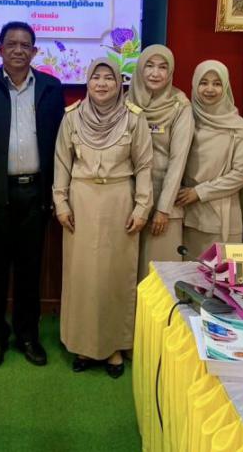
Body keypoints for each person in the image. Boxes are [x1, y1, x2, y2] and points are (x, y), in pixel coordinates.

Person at [0, 21, 65, 369]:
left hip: (36, 193)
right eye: (12, 44)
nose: (18, 50)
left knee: (30, 270)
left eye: (25, 45)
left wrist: (59, 192)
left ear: (35, 51)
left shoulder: (50, 87)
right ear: (0, 49)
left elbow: (62, 144)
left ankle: (28, 336)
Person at [54, 58, 153, 377]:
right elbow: (62, 162)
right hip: (80, 202)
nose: (101, 83)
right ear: (87, 81)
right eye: (95, 77)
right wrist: (61, 203)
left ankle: (114, 347)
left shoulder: (134, 118)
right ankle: (82, 344)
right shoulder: (72, 117)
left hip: (119, 201)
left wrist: (142, 207)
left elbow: (144, 165)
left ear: (119, 83)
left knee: (115, 275)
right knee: (81, 275)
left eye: (108, 78)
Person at [127, 45, 192, 280]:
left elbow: (178, 160)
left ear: (170, 71)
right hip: (129, 202)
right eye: (149, 66)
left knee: (159, 277)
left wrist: (163, 209)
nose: (155, 73)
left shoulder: (180, 106)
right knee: (127, 274)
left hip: (163, 203)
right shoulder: (126, 101)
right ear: (140, 69)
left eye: (162, 67)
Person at [176, 60, 243, 257]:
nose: (210, 89)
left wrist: (200, 192)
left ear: (225, 86)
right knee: (187, 272)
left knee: (220, 273)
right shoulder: (185, 119)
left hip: (221, 218)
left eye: (217, 83)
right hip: (186, 215)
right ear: (195, 84)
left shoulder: (237, 126)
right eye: (204, 82)